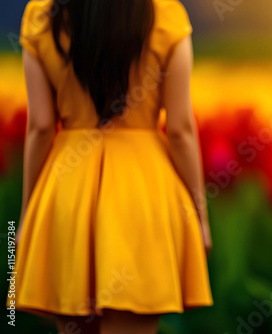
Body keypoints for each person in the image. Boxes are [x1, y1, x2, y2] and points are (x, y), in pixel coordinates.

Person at [7, 0, 213, 333]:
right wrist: (199, 216)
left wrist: (30, 211)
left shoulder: (42, 15)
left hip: (67, 190)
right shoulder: (166, 15)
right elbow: (180, 129)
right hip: (142, 193)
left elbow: (41, 127)